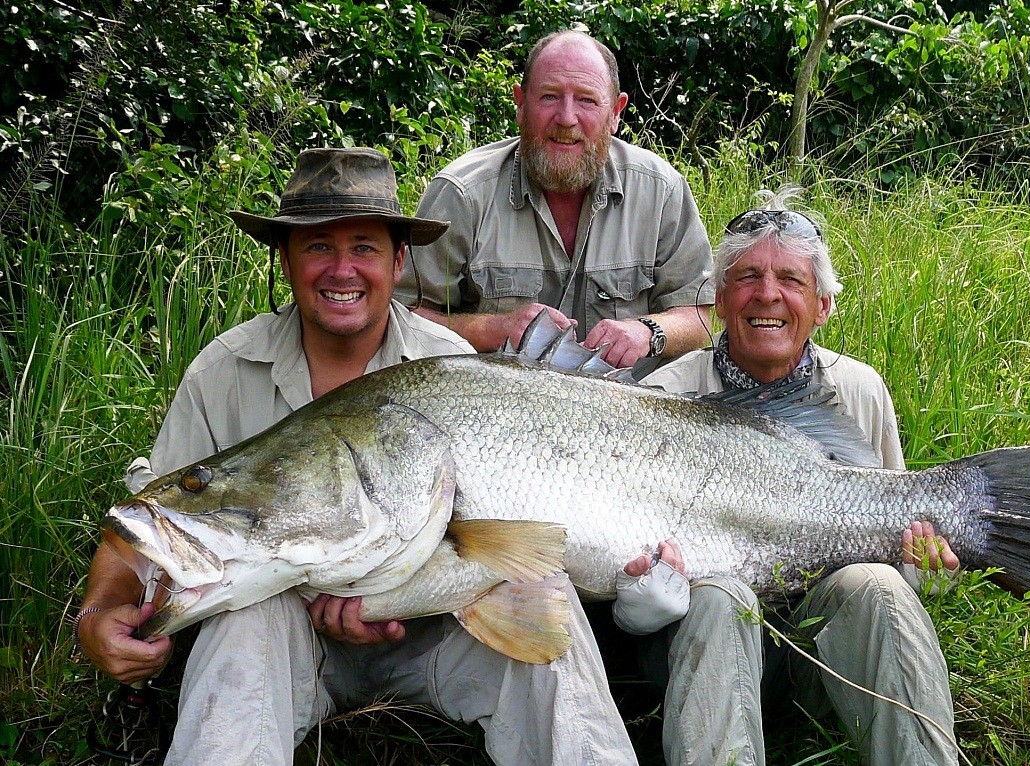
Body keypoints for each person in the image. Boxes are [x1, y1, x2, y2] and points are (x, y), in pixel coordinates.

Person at [74, 147, 639, 766]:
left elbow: (514, 544)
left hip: (438, 635)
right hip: (287, 641)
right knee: (238, 622)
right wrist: (98, 615)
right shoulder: (224, 368)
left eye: (364, 247)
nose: (341, 270)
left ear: (399, 261)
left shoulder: (446, 367)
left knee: (540, 591)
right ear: (285, 258)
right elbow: (142, 525)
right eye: (318, 246)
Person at [616, 188, 961, 765]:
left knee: (877, 585)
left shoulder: (859, 390)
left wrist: (927, 568)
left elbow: (900, 537)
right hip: (695, 653)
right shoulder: (662, 397)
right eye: (747, 277)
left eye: (791, 281)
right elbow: (622, 570)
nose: (767, 294)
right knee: (722, 596)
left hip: (822, 654)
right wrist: (642, 597)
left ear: (822, 305)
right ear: (719, 303)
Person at [396, 28, 714, 372]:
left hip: (627, 410)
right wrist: (494, 328)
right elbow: (402, 314)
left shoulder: (661, 192)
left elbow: (697, 316)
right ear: (520, 104)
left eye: (587, 100)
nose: (566, 118)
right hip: (497, 412)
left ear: (616, 112)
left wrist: (646, 332)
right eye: (549, 97)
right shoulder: (462, 195)